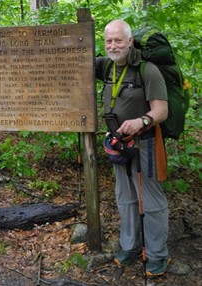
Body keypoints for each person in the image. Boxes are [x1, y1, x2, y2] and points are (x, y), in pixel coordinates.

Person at [96, 19, 170, 276]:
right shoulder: (106, 66)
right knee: (125, 197)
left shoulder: (147, 70)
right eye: (108, 41)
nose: (113, 45)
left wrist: (142, 120)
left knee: (151, 200)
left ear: (129, 41)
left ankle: (157, 254)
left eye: (118, 40)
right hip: (119, 144)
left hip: (146, 142)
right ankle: (129, 246)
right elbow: (70, 61)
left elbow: (161, 109)